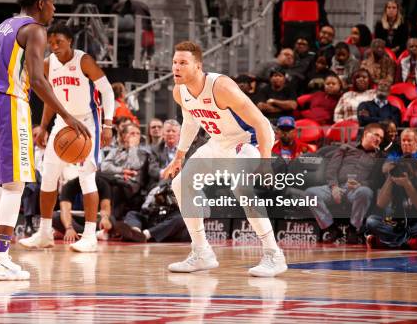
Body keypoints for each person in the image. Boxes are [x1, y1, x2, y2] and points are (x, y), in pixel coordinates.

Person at [0, 0, 89, 281]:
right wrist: (66, 115)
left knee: (2, 183)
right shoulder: (35, 29)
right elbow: (38, 79)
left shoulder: (3, 26)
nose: (53, 8)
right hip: (8, 102)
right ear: (41, 3)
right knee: (15, 184)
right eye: (51, 1)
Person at [162, 41, 287, 276]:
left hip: (247, 141)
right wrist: (179, 156)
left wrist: (265, 161)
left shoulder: (221, 87)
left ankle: (274, 254)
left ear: (198, 66)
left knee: (242, 189)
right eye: (174, 62)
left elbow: (261, 123)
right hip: (218, 142)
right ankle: (202, 252)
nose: (176, 67)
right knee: (180, 184)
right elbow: (190, 122)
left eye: (183, 63)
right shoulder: (179, 91)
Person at [19, 21, 114, 253]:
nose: (54, 46)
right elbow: (50, 100)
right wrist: (43, 127)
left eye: (58, 41)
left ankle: (90, 236)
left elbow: (108, 91)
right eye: (50, 43)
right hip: (63, 123)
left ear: (70, 41)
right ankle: (44, 233)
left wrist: (108, 124)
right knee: (49, 176)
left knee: (86, 178)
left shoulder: (84, 61)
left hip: (87, 123)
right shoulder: (48, 64)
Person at [305, 123, 384, 244]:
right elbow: (332, 168)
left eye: (381, 138)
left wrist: (361, 183)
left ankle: (353, 229)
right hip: (338, 186)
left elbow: (377, 180)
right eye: (376, 135)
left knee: (365, 192)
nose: (379, 139)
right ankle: (331, 229)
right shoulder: (346, 147)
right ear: (366, 134)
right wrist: (334, 187)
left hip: (357, 189)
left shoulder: (379, 156)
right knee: (310, 193)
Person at [366, 128, 417, 249]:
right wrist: (392, 176)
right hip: (396, 223)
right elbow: (380, 204)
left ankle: (385, 242)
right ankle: (409, 243)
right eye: (403, 141)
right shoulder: (396, 165)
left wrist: (407, 183)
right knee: (371, 221)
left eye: (409, 141)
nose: (406, 143)